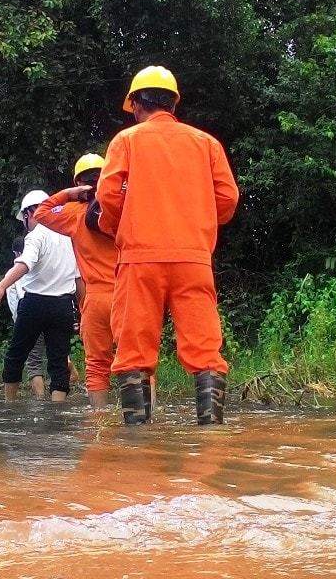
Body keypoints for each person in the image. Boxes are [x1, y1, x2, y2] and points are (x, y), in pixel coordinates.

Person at [97, 66, 239, 425]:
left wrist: (117, 226)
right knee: (206, 350)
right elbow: (227, 198)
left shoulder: (125, 141)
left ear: (136, 104)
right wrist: (201, 223)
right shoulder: (206, 143)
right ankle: (211, 436)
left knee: (134, 352)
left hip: (139, 259)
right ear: (173, 103)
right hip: (193, 259)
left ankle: (138, 444)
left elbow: (108, 195)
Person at [32, 153, 117, 409]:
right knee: (140, 362)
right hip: (130, 296)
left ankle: (98, 424)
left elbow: (41, 213)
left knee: (97, 366)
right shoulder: (127, 207)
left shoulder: (73, 213)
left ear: (81, 183)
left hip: (95, 298)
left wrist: (68, 194)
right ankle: (147, 424)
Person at [0, 190, 80, 402]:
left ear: (29, 213)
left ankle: (9, 406)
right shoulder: (68, 236)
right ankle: (58, 414)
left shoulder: (36, 235)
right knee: (58, 363)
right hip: (63, 306)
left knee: (16, 355)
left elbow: (24, 264)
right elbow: (77, 277)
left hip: (35, 304)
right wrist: (84, 307)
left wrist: (1, 286)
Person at [6, 236, 81, 398]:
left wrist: (20, 326)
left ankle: (38, 401)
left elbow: (14, 306)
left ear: (16, 253)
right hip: (61, 308)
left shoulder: (15, 272)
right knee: (58, 358)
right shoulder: (63, 249)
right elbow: (76, 280)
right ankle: (56, 410)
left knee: (31, 361)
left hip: (31, 314)